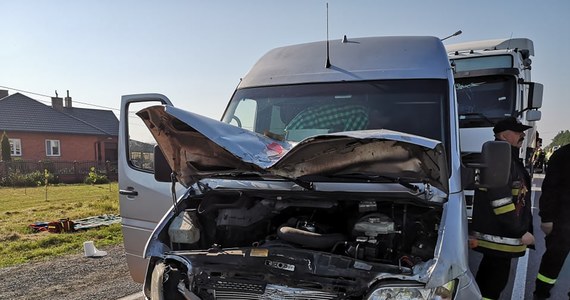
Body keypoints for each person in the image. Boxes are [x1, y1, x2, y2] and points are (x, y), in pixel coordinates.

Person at [470, 116, 535, 300]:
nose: (523, 135)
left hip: (500, 237)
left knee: (489, 282)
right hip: (501, 237)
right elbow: (501, 202)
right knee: (493, 284)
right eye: (518, 132)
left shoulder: (506, 157)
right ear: (505, 136)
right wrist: (520, 231)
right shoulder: (501, 159)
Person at [533, 143, 570, 300]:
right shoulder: (563, 155)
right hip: (562, 220)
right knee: (553, 260)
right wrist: (547, 218)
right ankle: (541, 294)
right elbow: (549, 188)